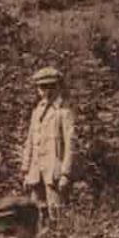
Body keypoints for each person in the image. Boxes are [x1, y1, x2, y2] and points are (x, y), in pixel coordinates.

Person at [20, 66, 75, 221]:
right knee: (36, 212)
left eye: (50, 86)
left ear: (57, 87)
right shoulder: (36, 112)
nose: (45, 91)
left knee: (56, 212)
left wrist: (65, 173)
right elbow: (30, 141)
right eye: (42, 87)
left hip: (53, 172)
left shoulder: (64, 112)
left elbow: (70, 146)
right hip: (35, 171)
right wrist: (25, 170)